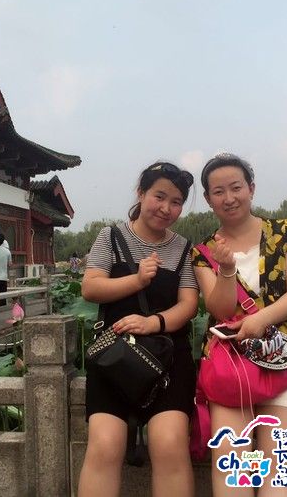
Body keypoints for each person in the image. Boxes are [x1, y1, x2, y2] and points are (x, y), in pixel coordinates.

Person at [192, 153, 287, 496]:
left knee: (277, 466)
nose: (229, 197)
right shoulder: (204, 252)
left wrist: (260, 319)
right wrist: (226, 270)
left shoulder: (285, 232)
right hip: (232, 366)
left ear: (251, 189)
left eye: (236, 187)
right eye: (218, 192)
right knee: (231, 465)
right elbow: (220, 309)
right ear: (208, 199)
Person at [78, 162, 198, 497]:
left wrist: (152, 323)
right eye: (159, 196)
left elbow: (188, 305)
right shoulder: (111, 237)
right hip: (114, 357)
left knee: (170, 443)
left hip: (168, 358)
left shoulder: (183, 248)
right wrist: (137, 280)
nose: (166, 208)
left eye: (176, 202)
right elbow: (90, 287)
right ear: (141, 193)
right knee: (104, 445)